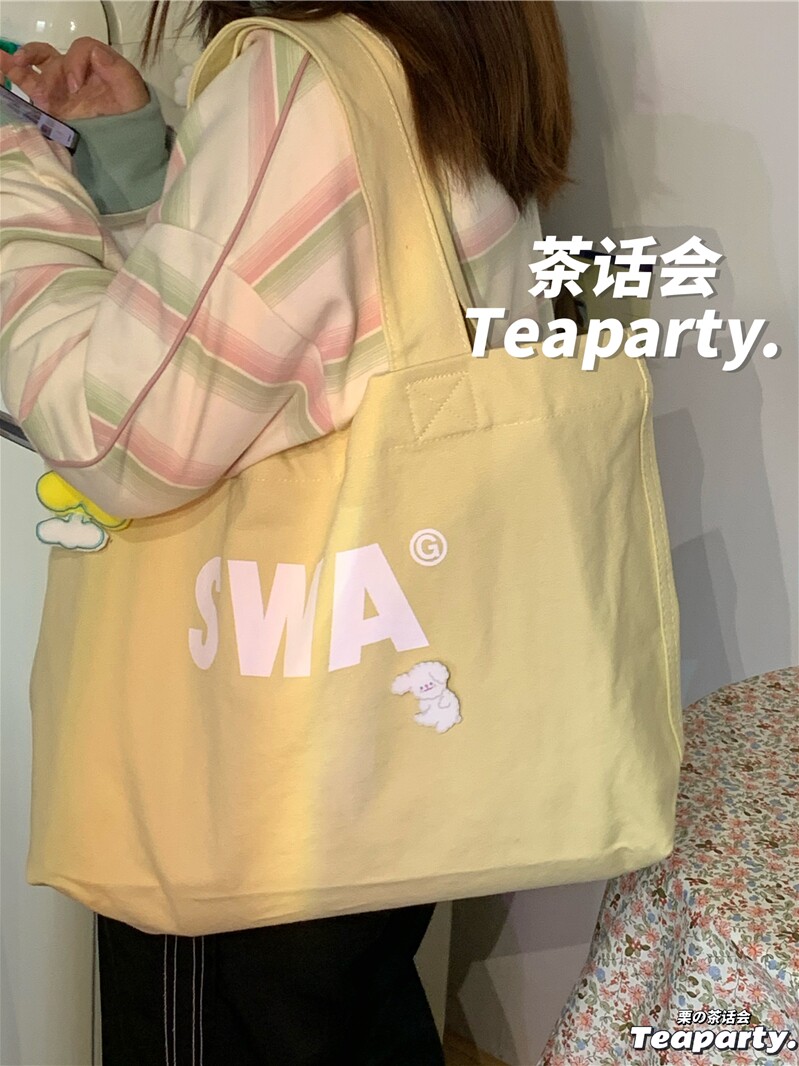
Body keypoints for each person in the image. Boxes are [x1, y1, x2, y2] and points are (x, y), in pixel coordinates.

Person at [0, 3, 572, 1063]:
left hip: (253, 757)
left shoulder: (298, 88)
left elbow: (109, 433)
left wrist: (18, 176)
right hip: (386, 714)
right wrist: (138, 166)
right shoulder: (443, 55)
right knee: (346, 1011)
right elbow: (280, 335)